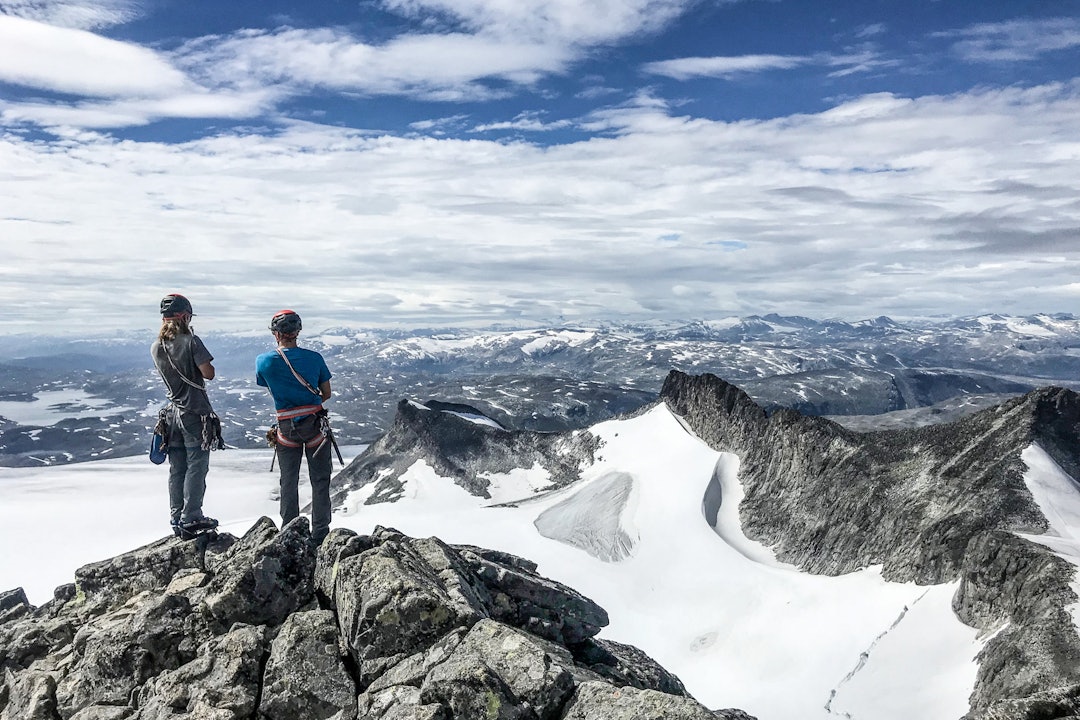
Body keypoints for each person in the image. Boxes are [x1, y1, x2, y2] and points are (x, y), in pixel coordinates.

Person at [255, 309, 334, 545]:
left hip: (286, 427)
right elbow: (326, 393)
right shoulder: (315, 358)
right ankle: (320, 533)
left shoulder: (264, 361)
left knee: (288, 480)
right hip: (314, 424)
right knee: (320, 479)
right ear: (298, 331)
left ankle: (290, 530)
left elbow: (265, 383)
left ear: (276, 333)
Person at [150, 293, 223, 538]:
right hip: (194, 412)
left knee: (177, 468)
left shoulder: (156, 347)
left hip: (171, 414)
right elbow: (208, 373)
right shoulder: (191, 341)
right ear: (185, 316)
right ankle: (191, 516)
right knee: (197, 466)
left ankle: (176, 516)